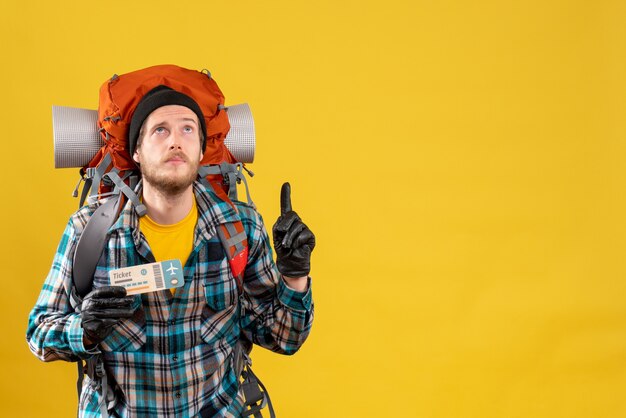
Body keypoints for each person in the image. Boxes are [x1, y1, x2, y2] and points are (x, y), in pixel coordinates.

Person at [26, 81, 315, 417]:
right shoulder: (89, 232)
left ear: (201, 147)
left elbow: (284, 338)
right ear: (137, 151)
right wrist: (84, 329)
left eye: (188, 129)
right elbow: (38, 335)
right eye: (160, 130)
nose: (176, 140)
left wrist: (295, 275)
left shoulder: (240, 228)